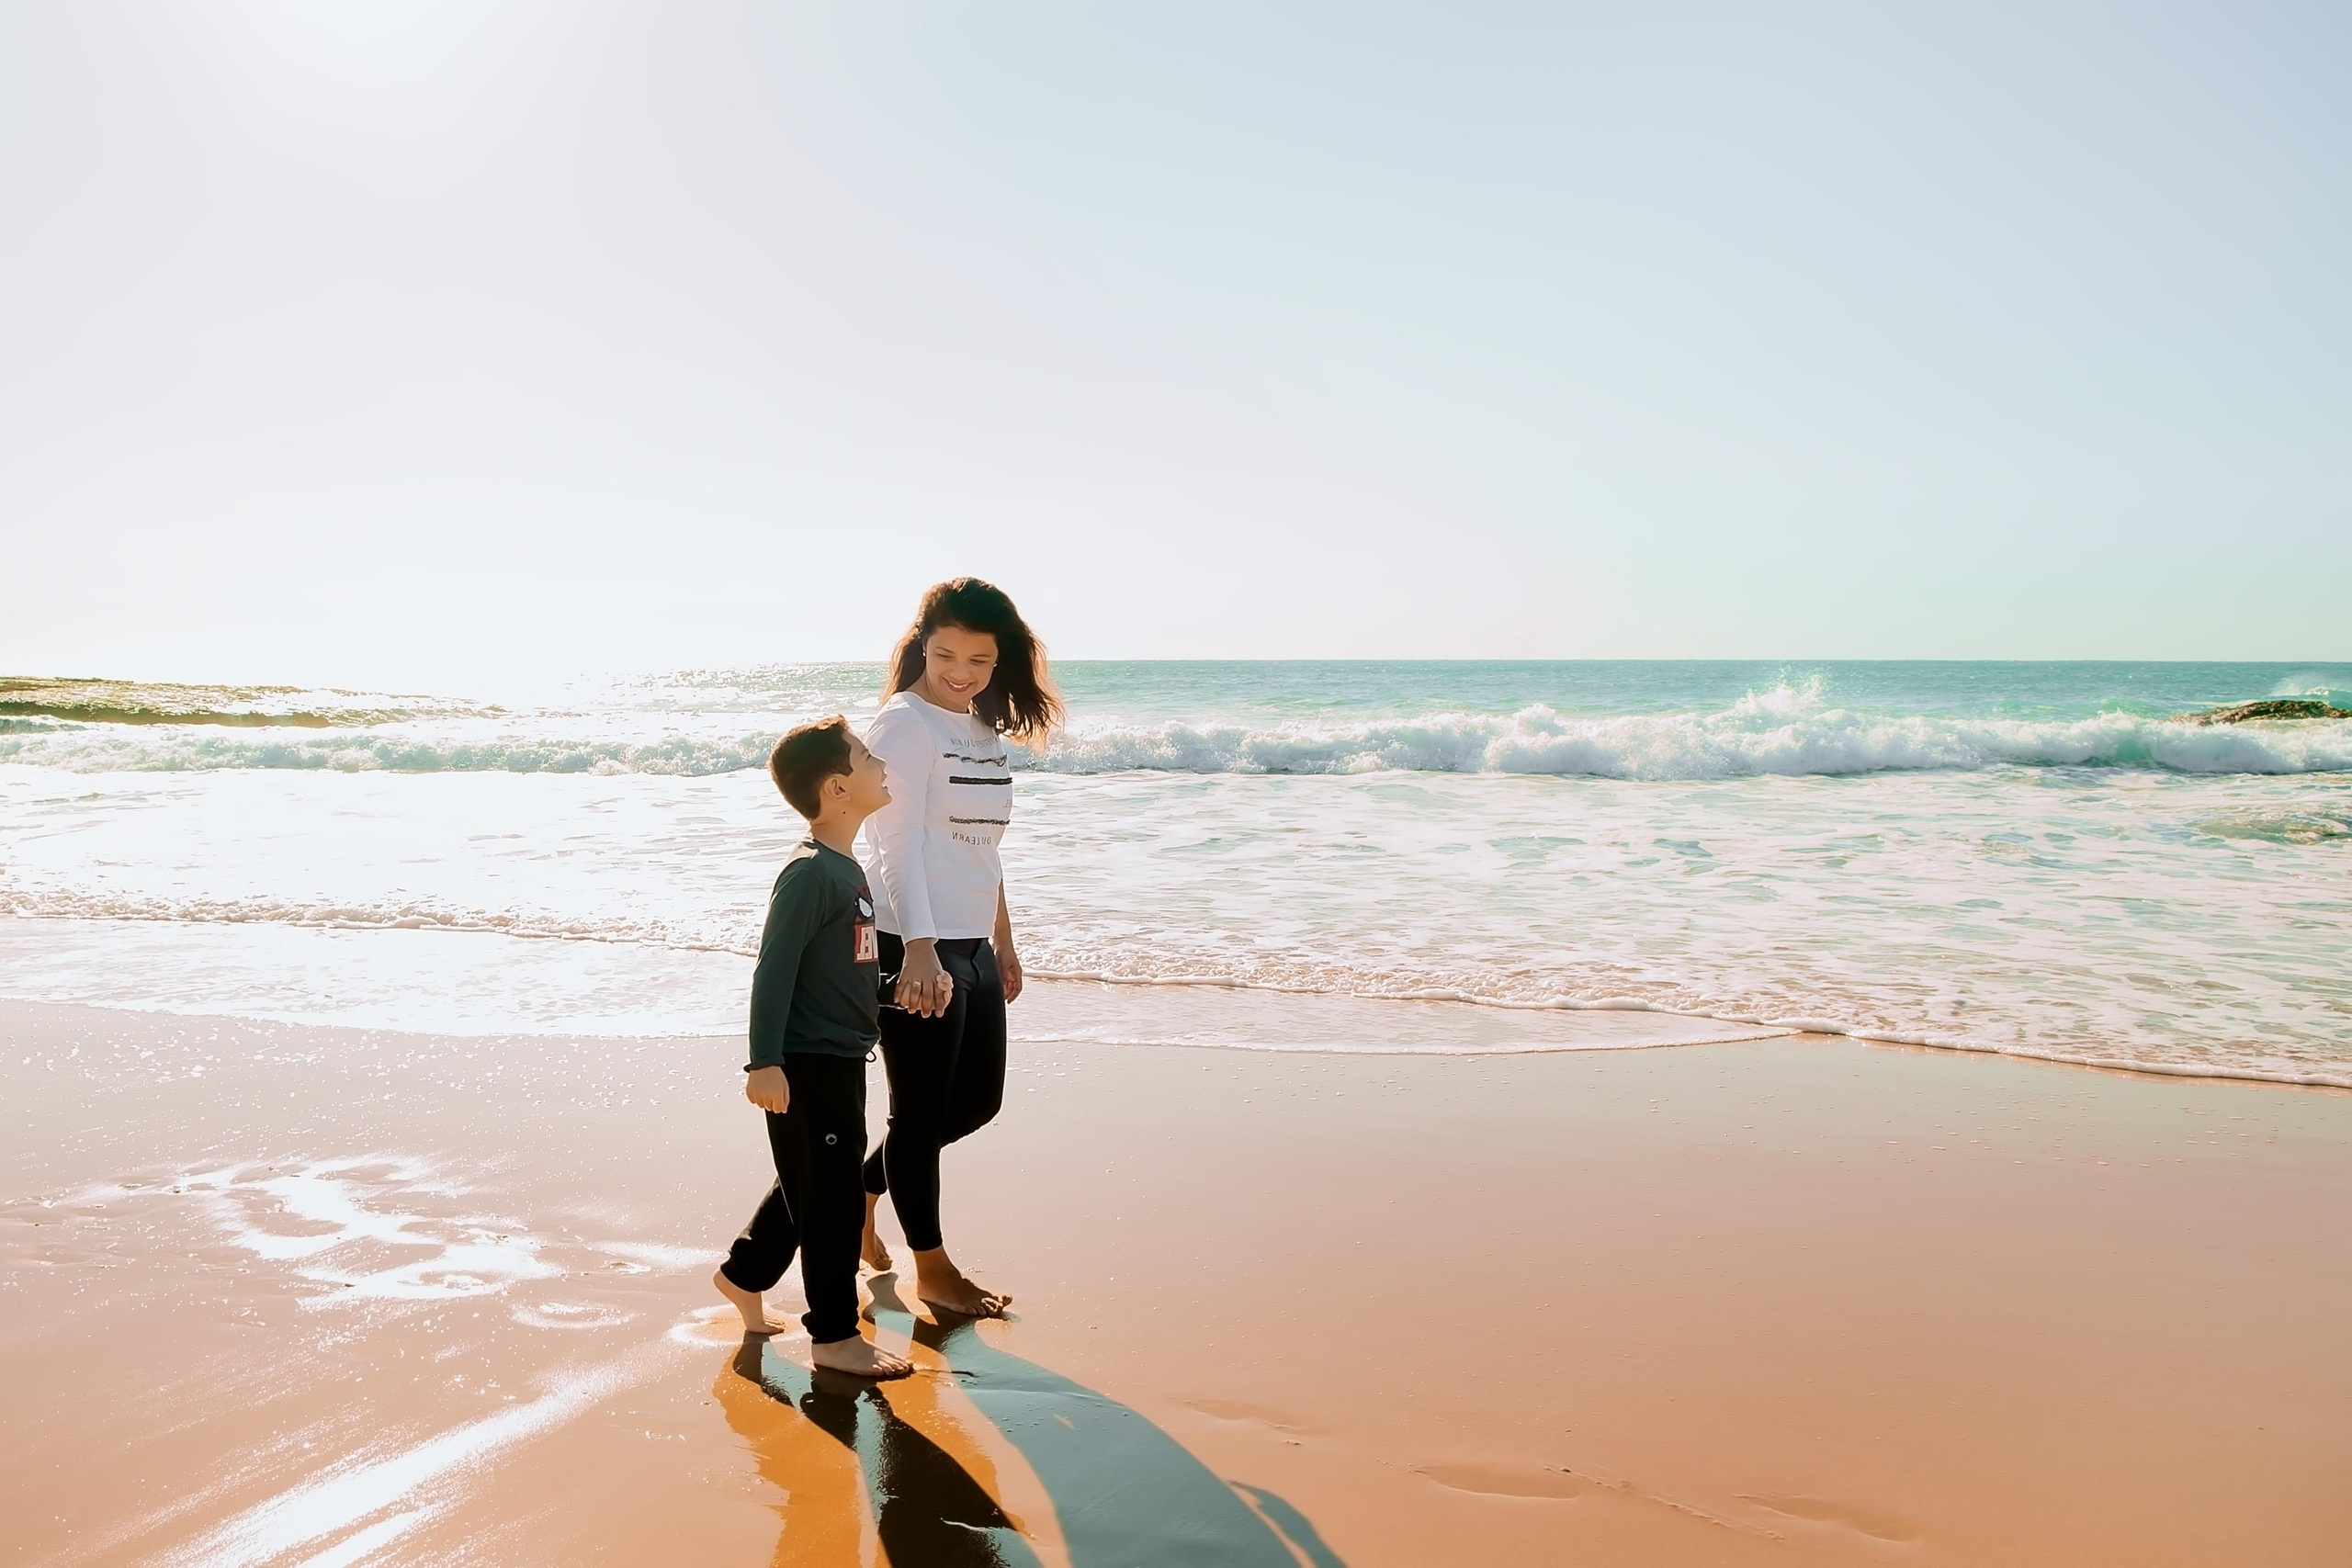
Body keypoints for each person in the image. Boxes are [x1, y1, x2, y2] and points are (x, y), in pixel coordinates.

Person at [859, 578, 1060, 1318]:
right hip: (914, 943)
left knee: (977, 1102)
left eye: (979, 658)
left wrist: (1002, 941)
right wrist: (918, 948)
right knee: (917, 1116)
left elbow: (981, 847)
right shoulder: (903, 726)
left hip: (970, 942)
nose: (962, 671)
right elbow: (894, 846)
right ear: (921, 645)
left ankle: (863, 1189)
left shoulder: (978, 729)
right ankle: (933, 1271)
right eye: (946, 653)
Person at [712, 716, 913, 1379]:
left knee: (810, 1181)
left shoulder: (846, 869)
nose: (878, 760)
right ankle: (832, 1336)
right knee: (828, 1200)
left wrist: (892, 989)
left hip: (839, 1057)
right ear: (837, 788)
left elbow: (844, 967)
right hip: (804, 1063)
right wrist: (763, 1061)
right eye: (864, 755)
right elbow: (774, 969)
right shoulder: (808, 873)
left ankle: (745, 1274)